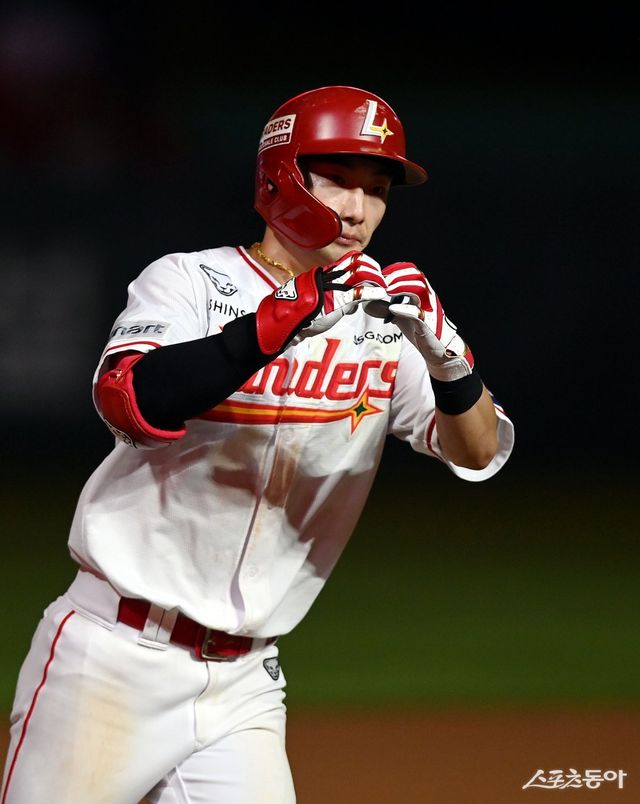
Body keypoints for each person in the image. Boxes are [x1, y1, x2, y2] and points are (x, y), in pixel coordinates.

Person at [1, 85, 514, 803]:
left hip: (245, 682)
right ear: (281, 176)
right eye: (337, 179)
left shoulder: (385, 319)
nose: (358, 209)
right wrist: (273, 323)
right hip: (111, 658)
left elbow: (478, 451)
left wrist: (450, 361)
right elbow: (130, 399)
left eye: (376, 190)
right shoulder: (189, 280)